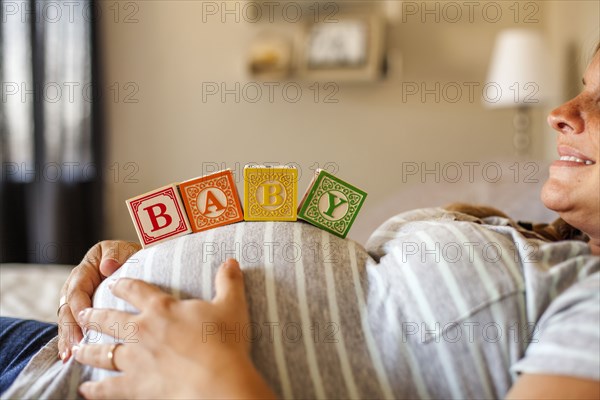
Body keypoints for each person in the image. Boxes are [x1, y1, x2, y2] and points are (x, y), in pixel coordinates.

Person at [1, 46, 599, 399]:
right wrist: (135, 267)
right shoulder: (545, 251)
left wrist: (210, 378)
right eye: (582, 89)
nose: (560, 114)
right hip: (42, 355)